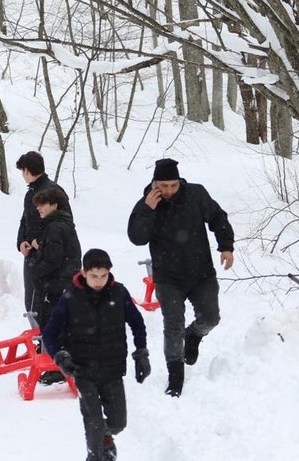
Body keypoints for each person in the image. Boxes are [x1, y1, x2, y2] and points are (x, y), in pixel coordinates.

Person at [127, 158, 234, 398]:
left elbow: (218, 217)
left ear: (179, 181)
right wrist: (147, 210)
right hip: (168, 277)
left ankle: (194, 335)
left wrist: (226, 246)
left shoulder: (195, 194)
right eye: (163, 186)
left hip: (201, 273)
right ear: (155, 183)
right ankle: (175, 376)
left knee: (211, 318)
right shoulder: (147, 203)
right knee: (172, 326)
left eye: (173, 185)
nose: (168, 191)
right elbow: (137, 237)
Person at [43, 249, 151, 461]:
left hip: (112, 369)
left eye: (103, 275)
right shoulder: (71, 297)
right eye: (94, 276)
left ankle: (106, 438)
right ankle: (94, 455)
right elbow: (50, 333)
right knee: (93, 419)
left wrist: (141, 354)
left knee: (118, 423)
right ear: (84, 273)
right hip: (82, 369)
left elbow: (138, 324)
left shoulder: (119, 293)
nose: (99, 281)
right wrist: (61, 357)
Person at [29, 186, 81, 384]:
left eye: (42, 205)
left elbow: (54, 258)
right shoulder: (61, 224)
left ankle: (58, 368)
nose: (39, 209)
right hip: (65, 282)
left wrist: (37, 270)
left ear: (54, 205)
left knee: (55, 325)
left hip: (60, 284)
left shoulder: (55, 227)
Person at [15, 151, 72, 315]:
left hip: (52, 256)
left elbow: (65, 224)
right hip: (32, 256)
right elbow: (24, 220)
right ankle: (38, 338)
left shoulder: (54, 191)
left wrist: (40, 241)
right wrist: (22, 242)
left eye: (22, 171)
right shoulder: (30, 193)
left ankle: (49, 339)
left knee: (47, 303)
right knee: (32, 303)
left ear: (26, 170)